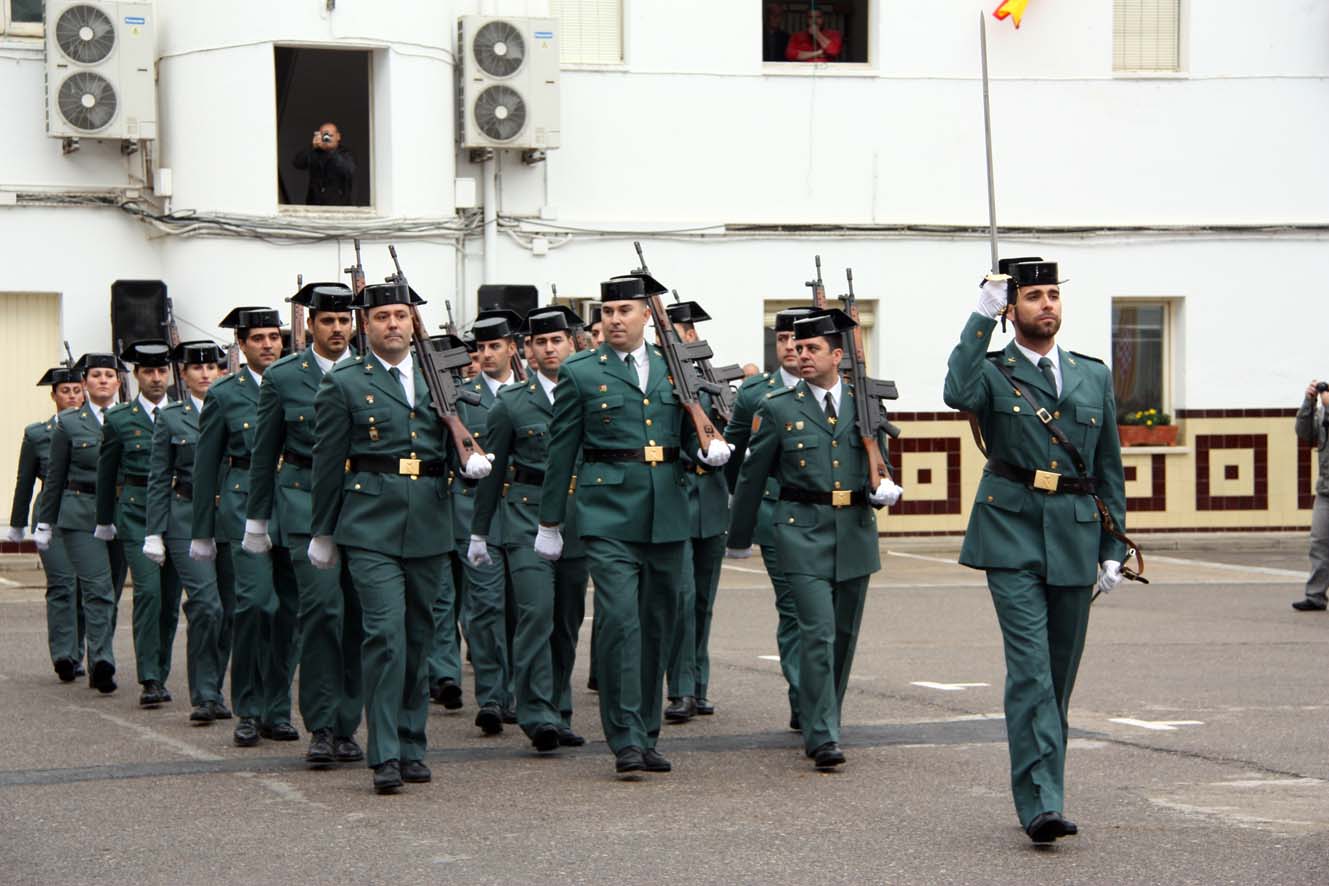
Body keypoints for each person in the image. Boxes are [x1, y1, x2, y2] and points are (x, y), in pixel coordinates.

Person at [942, 259, 1128, 844]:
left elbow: (1107, 467)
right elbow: (955, 392)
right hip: (1011, 531)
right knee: (1031, 673)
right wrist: (979, 316)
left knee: (1059, 676)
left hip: (1075, 531)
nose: (1047, 305)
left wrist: (1112, 544)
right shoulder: (992, 372)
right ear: (1012, 310)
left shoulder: (1091, 374)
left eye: (1053, 296)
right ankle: (1042, 803)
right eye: (1033, 297)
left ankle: (1048, 787)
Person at [536, 273, 733, 777]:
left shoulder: (676, 370)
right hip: (607, 515)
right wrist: (551, 522)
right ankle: (622, 736)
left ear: (648, 315)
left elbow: (689, 438)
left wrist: (709, 451)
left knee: (659, 625)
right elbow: (561, 453)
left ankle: (647, 733)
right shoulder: (581, 371)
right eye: (608, 312)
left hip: (668, 513)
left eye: (625, 311)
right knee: (621, 621)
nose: (615, 320)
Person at [309, 281, 492, 794]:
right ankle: (384, 751)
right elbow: (327, 463)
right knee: (384, 636)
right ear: (366, 327)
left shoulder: (439, 378)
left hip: (431, 520)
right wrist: (323, 531)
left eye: (400, 316)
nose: (393, 324)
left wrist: (473, 457)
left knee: (418, 640)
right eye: (382, 316)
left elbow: (469, 432)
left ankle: (413, 744)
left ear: (413, 324)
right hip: (370, 523)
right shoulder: (345, 381)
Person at [727, 309, 901, 771]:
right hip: (799, 530)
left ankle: (826, 713)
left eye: (812, 349)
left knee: (843, 635)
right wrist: (738, 536)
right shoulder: (779, 407)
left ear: (837, 355)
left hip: (855, 531)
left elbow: (877, 461)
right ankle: (821, 733)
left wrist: (884, 487)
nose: (801, 355)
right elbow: (752, 475)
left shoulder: (866, 404)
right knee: (817, 632)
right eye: (797, 348)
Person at [245, 283, 365, 767]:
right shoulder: (283, 376)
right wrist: (257, 519)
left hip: (361, 507)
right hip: (301, 503)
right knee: (321, 613)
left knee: (358, 619)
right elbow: (264, 452)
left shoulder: (369, 372)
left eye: (344, 321)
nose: (337, 329)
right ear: (310, 326)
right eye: (328, 322)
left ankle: (347, 723)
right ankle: (320, 722)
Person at [471, 305, 590, 752]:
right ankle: (536, 712)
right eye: (540, 342)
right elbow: (492, 471)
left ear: (572, 344)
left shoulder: (589, 395)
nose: (548, 348)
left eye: (556, 340)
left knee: (566, 620)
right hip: (525, 518)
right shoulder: (512, 404)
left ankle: (560, 710)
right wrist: (479, 532)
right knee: (536, 612)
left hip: (579, 518)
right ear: (529, 351)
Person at [191, 307, 299, 748]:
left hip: (291, 504)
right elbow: (205, 466)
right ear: (242, 345)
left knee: (289, 613)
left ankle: (278, 709)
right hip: (241, 507)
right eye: (258, 338)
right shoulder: (226, 395)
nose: (269, 345)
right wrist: (202, 530)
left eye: (274, 337)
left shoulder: (299, 383)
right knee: (256, 606)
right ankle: (249, 708)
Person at [723, 306, 815, 731]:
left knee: (830, 616)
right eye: (782, 340)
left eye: (799, 338)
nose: (792, 347)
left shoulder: (842, 389)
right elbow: (735, 457)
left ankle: (820, 695)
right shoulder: (756, 394)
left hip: (833, 518)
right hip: (778, 515)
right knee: (795, 608)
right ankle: (806, 700)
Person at [143, 341, 231, 723]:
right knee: (206, 605)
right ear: (184, 374)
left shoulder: (238, 409)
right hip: (184, 516)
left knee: (227, 609)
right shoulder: (172, 418)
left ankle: (214, 688)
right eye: (197, 368)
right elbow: (158, 477)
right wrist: (153, 532)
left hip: (229, 515)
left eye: (212, 367)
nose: (205, 373)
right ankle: (205, 694)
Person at [35, 354, 129, 694]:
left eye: (109, 375)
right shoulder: (70, 424)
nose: (103, 381)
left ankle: (98, 651)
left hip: (122, 511)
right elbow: (55, 478)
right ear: (86, 383)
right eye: (96, 376)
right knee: (97, 587)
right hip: (80, 513)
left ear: (118, 383)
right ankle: (101, 661)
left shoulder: (132, 419)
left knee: (113, 590)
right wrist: (45, 523)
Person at [95, 340, 182, 708]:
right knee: (148, 592)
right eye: (149, 371)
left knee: (170, 599)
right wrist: (104, 521)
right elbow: (106, 473)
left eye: (162, 371)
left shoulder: (183, 415)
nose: (157, 378)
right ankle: (149, 677)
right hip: (134, 513)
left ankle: (160, 671)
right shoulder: (120, 419)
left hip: (177, 515)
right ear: (137, 375)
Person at [455, 308, 525, 736]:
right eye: (481, 348)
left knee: (522, 607)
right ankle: (492, 696)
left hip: (522, 512)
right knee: (483, 607)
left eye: (495, 346)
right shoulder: (464, 397)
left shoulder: (533, 394)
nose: (487, 354)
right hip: (476, 512)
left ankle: (519, 689)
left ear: (512, 348)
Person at [663, 300, 730, 724]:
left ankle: (699, 684)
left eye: (688, 332)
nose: (685, 338)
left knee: (703, 600)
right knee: (681, 598)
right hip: (675, 494)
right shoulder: (657, 383)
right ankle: (681, 689)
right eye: (674, 332)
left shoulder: (715, 384)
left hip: (711, 501)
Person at [8, 366, 85, 682]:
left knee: (85, 585)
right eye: (64, 391)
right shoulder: (38, 433)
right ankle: (64, 655)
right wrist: (17, 523)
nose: (71, 396)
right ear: (53, 396)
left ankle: (78, 651)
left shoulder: (101, 429)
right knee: (62, 583)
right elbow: (25, 480)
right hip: (50, 515)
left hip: (88, 512)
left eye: (76, 390)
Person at [1293, 380, 1329, 611]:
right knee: (1319, 543)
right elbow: (1304, 432)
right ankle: (1315, 596)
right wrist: (1309, 402)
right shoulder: (1322, 412)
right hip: (1326, 491)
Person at [292, 122, 356, 206]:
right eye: (324, 135)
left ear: (338, 136)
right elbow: (297, 163)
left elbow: (348, 169)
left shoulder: (345, 153)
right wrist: (312, 146)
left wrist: (330, 151)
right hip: (315, 204)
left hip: (339, 206)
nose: (327, 138)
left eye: (330, 135)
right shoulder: (314, 151)